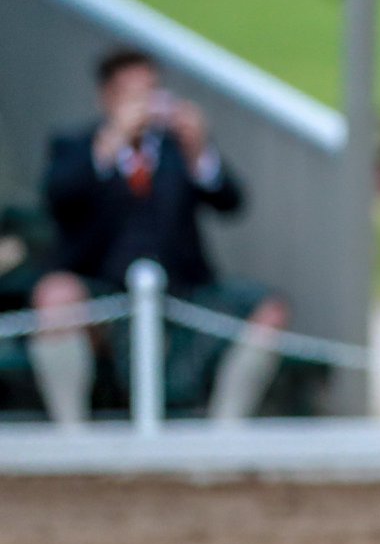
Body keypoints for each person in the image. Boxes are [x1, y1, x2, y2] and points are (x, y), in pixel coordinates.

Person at [29, 48, 290, 427]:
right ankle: (73, 434)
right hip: (102, 286)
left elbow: (230, 202)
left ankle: (226, 431)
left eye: (150, 91)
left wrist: (200, 150)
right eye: (131, 93)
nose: (144, 104)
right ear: (108, 96)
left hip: (183, 287)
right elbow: (59, 196)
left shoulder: (177, 149)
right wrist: (113, 140)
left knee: (269, 309)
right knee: (55, 296)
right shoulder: (76, 146)